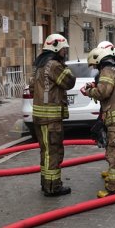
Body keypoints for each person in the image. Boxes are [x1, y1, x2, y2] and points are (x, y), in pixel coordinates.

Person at [82, 46, 115, 198]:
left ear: (99, 60)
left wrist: (88, 91)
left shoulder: (107, 71)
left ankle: (114, 188)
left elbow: (102, 92)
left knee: (114, 154)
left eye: (94, 65)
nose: (95, 69)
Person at [29, 33, 76, 197]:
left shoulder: (38, 66)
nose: (65, 52)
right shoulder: (54, 65)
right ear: (56, 48)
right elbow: (69, 82)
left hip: (39, 118)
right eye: (63, 49)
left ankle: (46, 183)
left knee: (45, 151)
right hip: (51, 119)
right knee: (53, 152)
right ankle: (53, 187)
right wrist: (66, 67)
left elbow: (32, 88)